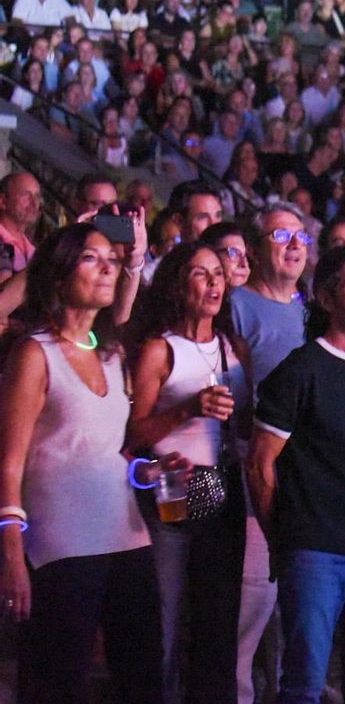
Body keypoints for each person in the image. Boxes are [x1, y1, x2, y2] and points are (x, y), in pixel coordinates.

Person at [0, 223, 163, 703]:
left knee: (141, 678)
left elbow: (102, 449)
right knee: (57, 681)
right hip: (61, 544)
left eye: (111, 257)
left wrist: (145, 471)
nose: (108, 265)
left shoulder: (112, 354)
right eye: (92, 258)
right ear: (57, 276)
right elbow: (9, 460)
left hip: (126, 534)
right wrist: (11, 553)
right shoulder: (34, 352)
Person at [246, 245, 345, 704]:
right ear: (326, 296)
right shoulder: (300, 372)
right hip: (315, 548)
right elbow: (259, 464)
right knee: (303, 684)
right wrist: (285, 538)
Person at [125, 242, 248, 704]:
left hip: (222, 489)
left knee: (217, 622)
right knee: (166, 620)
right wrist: (188, 410)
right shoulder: (160, 349)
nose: (215, 281)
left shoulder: (232, 347)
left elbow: (247, 421)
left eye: (219, 273)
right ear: (179, 284)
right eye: (201, 274)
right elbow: (133, 433)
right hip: (170, 489)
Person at [229, 203, 311, 704]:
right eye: (281, 234)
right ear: (257, 246)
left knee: (296, 594)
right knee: (253, 593)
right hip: (254, 460)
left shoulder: (308, 308)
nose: (294, 243)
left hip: (307, 467)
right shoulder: (237, 304)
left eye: (301, 235)